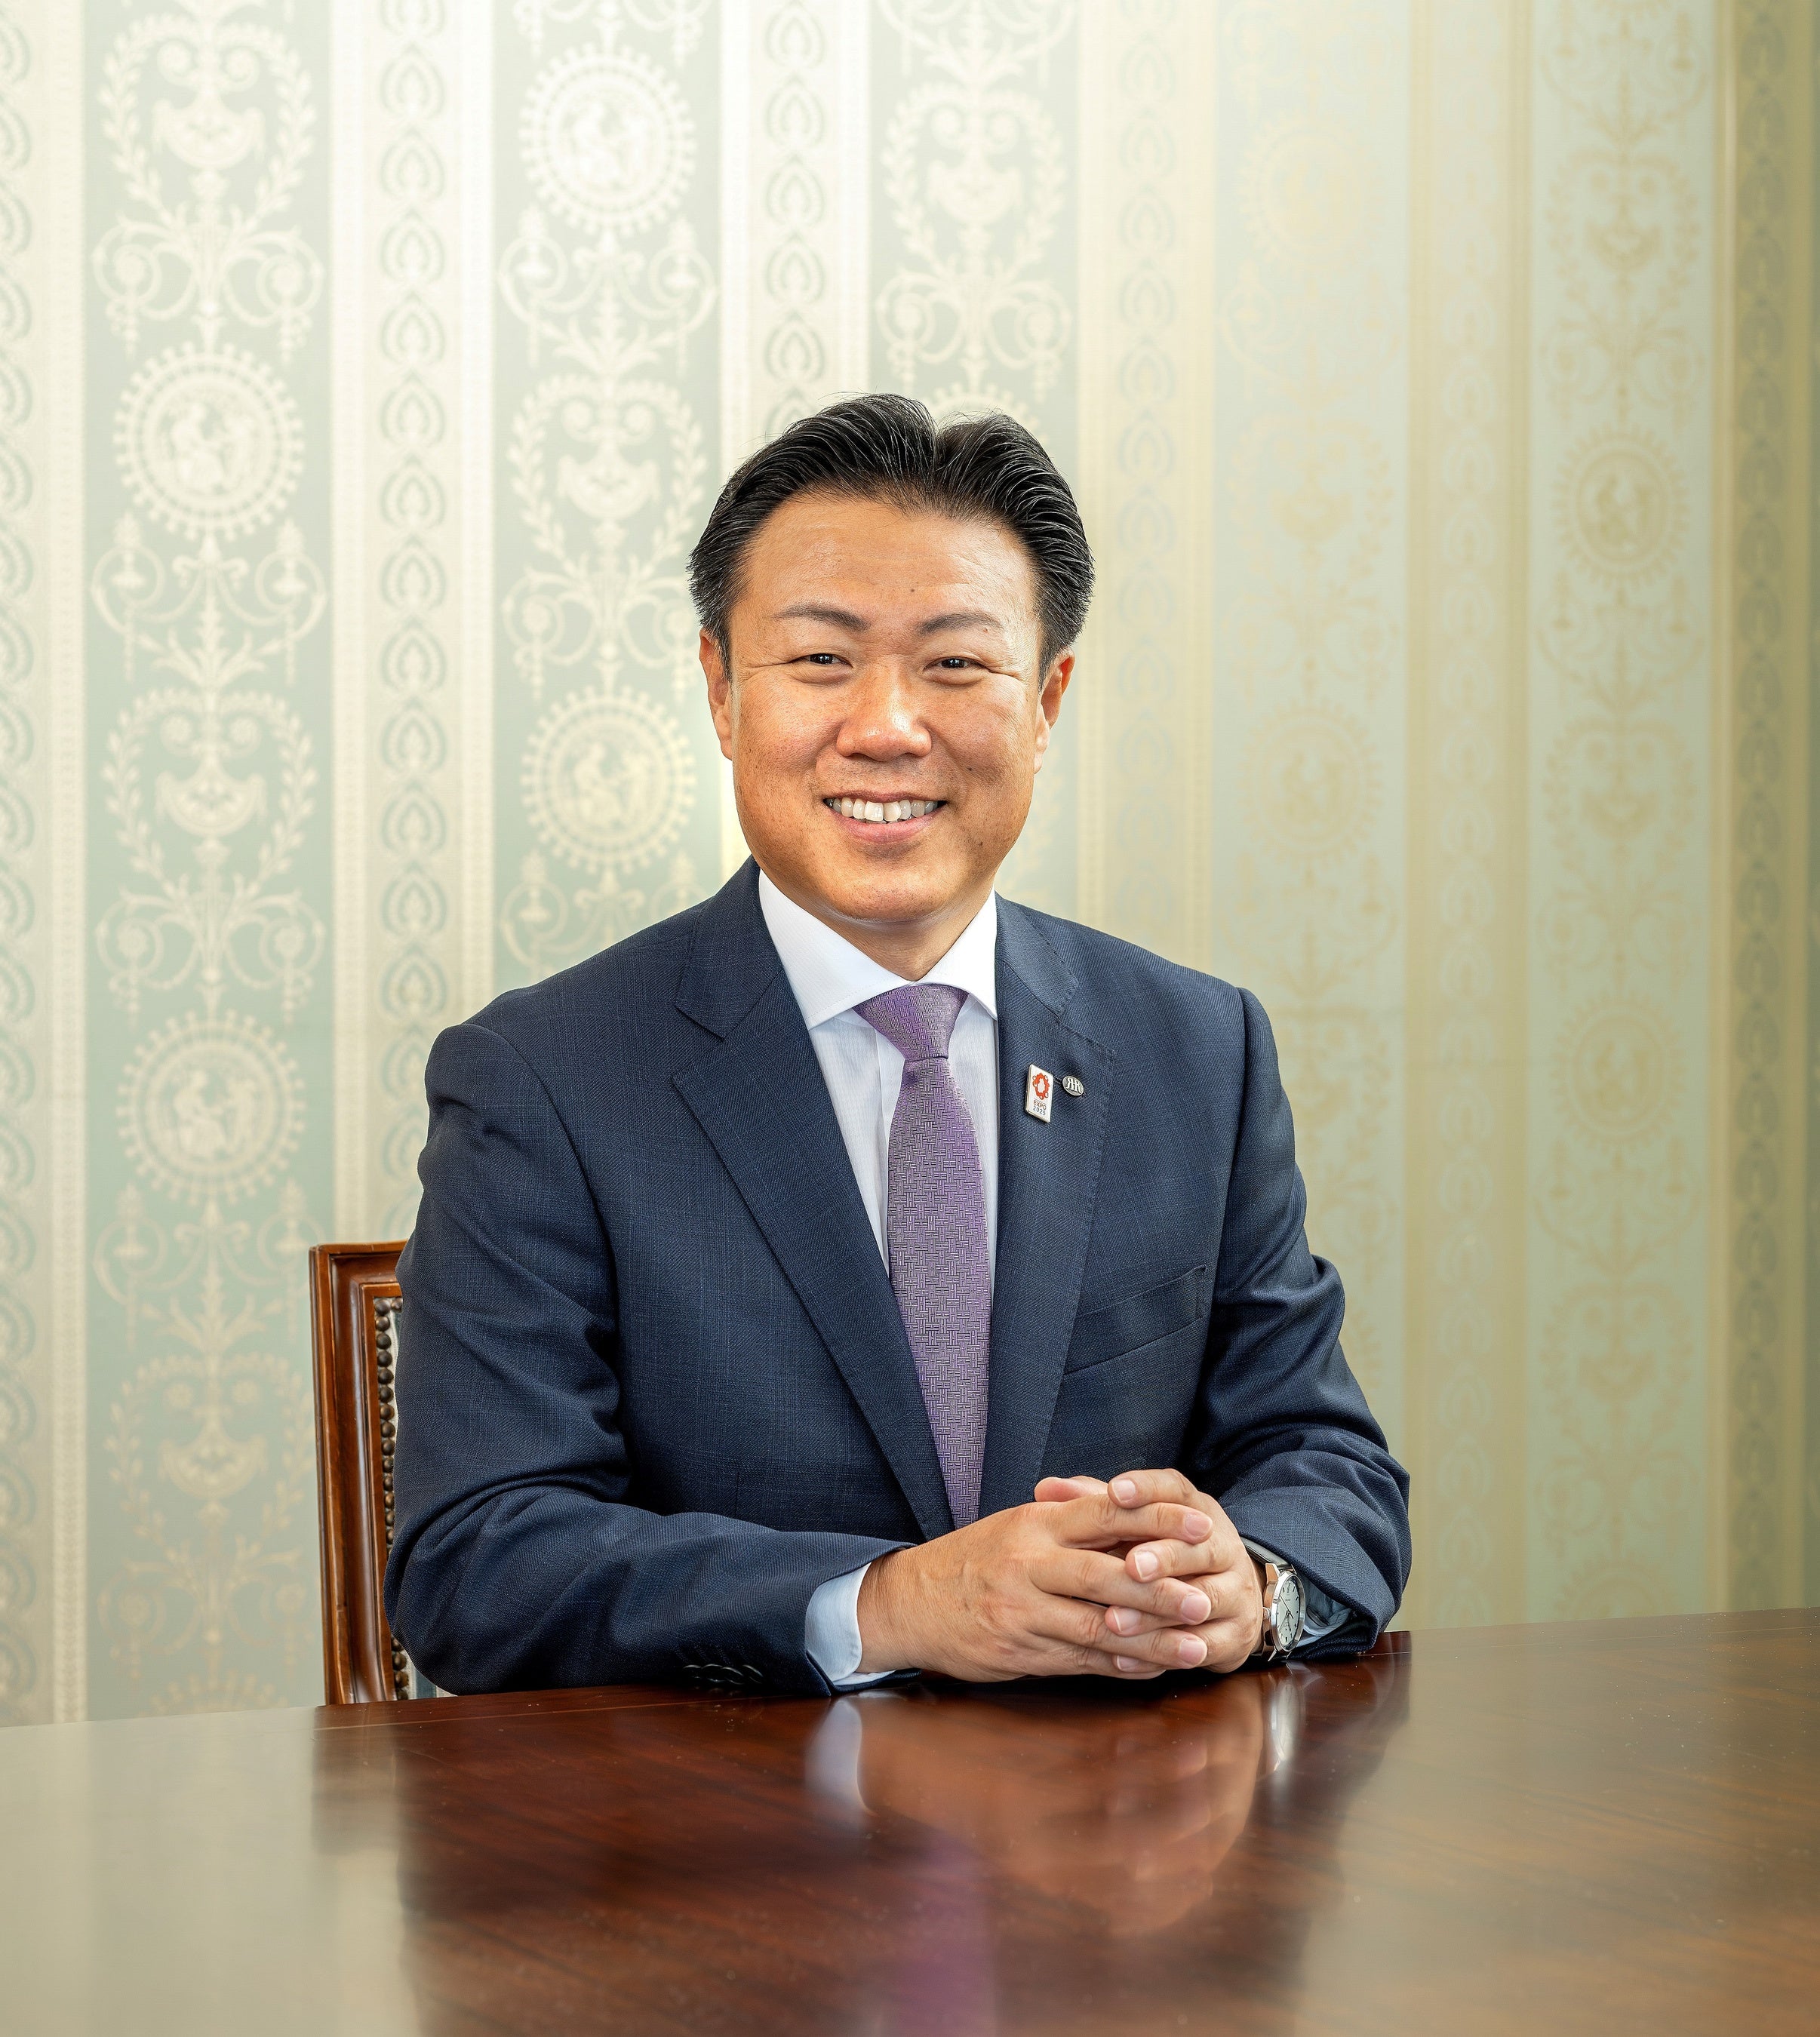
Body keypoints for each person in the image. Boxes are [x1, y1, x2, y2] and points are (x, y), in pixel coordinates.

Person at [386, 394, 1410, 1694]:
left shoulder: (1196, 1051)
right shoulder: (545, 1080)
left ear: (1046, 702)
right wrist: (890, 1604)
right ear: (721, 690)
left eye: (956, 665)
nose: (885, 727)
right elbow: (480, 1559)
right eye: (821, 659)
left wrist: (1250, 1584)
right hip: (733, 1810)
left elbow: (1330, 1469)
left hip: (1118, 1809)